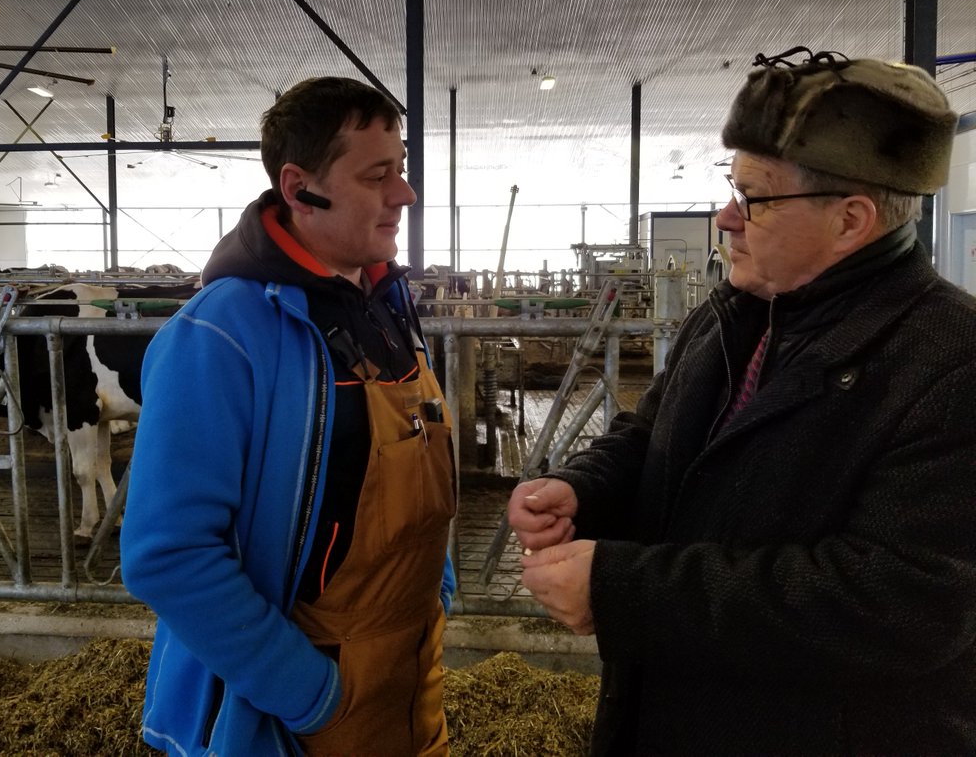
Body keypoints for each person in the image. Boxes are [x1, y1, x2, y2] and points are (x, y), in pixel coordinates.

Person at [509, 49, 976, 754]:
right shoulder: (733, 314)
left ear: (850, 221)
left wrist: (624, 590)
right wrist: (584, 489)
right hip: (670, 715)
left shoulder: (949, 361)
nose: (726, 217)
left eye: (754, 198)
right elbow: (650, 434)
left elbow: (899, 602)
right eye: (732, 187)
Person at [121, 76, 457, 756]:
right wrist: (310, 692)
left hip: (412, 670)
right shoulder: (221, 335)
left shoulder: (387, 306)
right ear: (301, 188)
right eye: (378, 176)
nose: (405, 195)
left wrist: (436, 594)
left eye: (402, 170)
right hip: (295, 707)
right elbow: (168, 553)